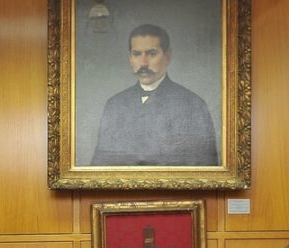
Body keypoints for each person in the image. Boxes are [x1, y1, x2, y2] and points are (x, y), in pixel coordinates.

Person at [90, 24, 218, 166]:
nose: (143, 63)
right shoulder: (114, 105)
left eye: (151, 53)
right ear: (130, 58)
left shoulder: (193, 105)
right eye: (137, 54)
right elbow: (100, 166)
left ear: (167, 56)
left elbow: (205, 171)